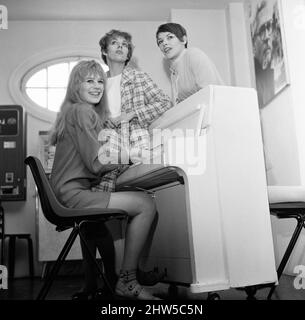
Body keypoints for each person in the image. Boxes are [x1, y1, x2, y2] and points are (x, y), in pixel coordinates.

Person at [49, 60, 160, 300]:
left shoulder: (74, 112)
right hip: (72, 194)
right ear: (76, 85)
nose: (97, 86)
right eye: (89, 80)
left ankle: (110, 282)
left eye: (100, 81)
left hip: (63, 192)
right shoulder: (82, 111)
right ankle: (128, 280)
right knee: (145, 204)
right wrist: (131, 156)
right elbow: (96, 162)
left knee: (97, 229)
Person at [97, 29, 172, 174]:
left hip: (135, 137)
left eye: (124, 44)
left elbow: (164, 102)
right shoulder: (98, 83)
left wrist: (132, 114)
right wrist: (104, 119)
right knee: (107, 186)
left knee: (139, 179)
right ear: (105, 52)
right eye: (114, 43)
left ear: (127, 55)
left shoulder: (138, 77)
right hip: (106, 139)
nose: (120, 46)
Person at [155, 22, 224, 105]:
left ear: (184, 40)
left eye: (170, 37)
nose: (164, 43)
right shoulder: (173, 72)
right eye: (160, 41)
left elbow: (210, 92)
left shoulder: (193, 54)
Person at [250, 0, 275, 107]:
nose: (267, 35)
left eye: (269, 26)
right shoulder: (255, 84)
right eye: (262, 30)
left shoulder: (274, 71)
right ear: (253, 46)